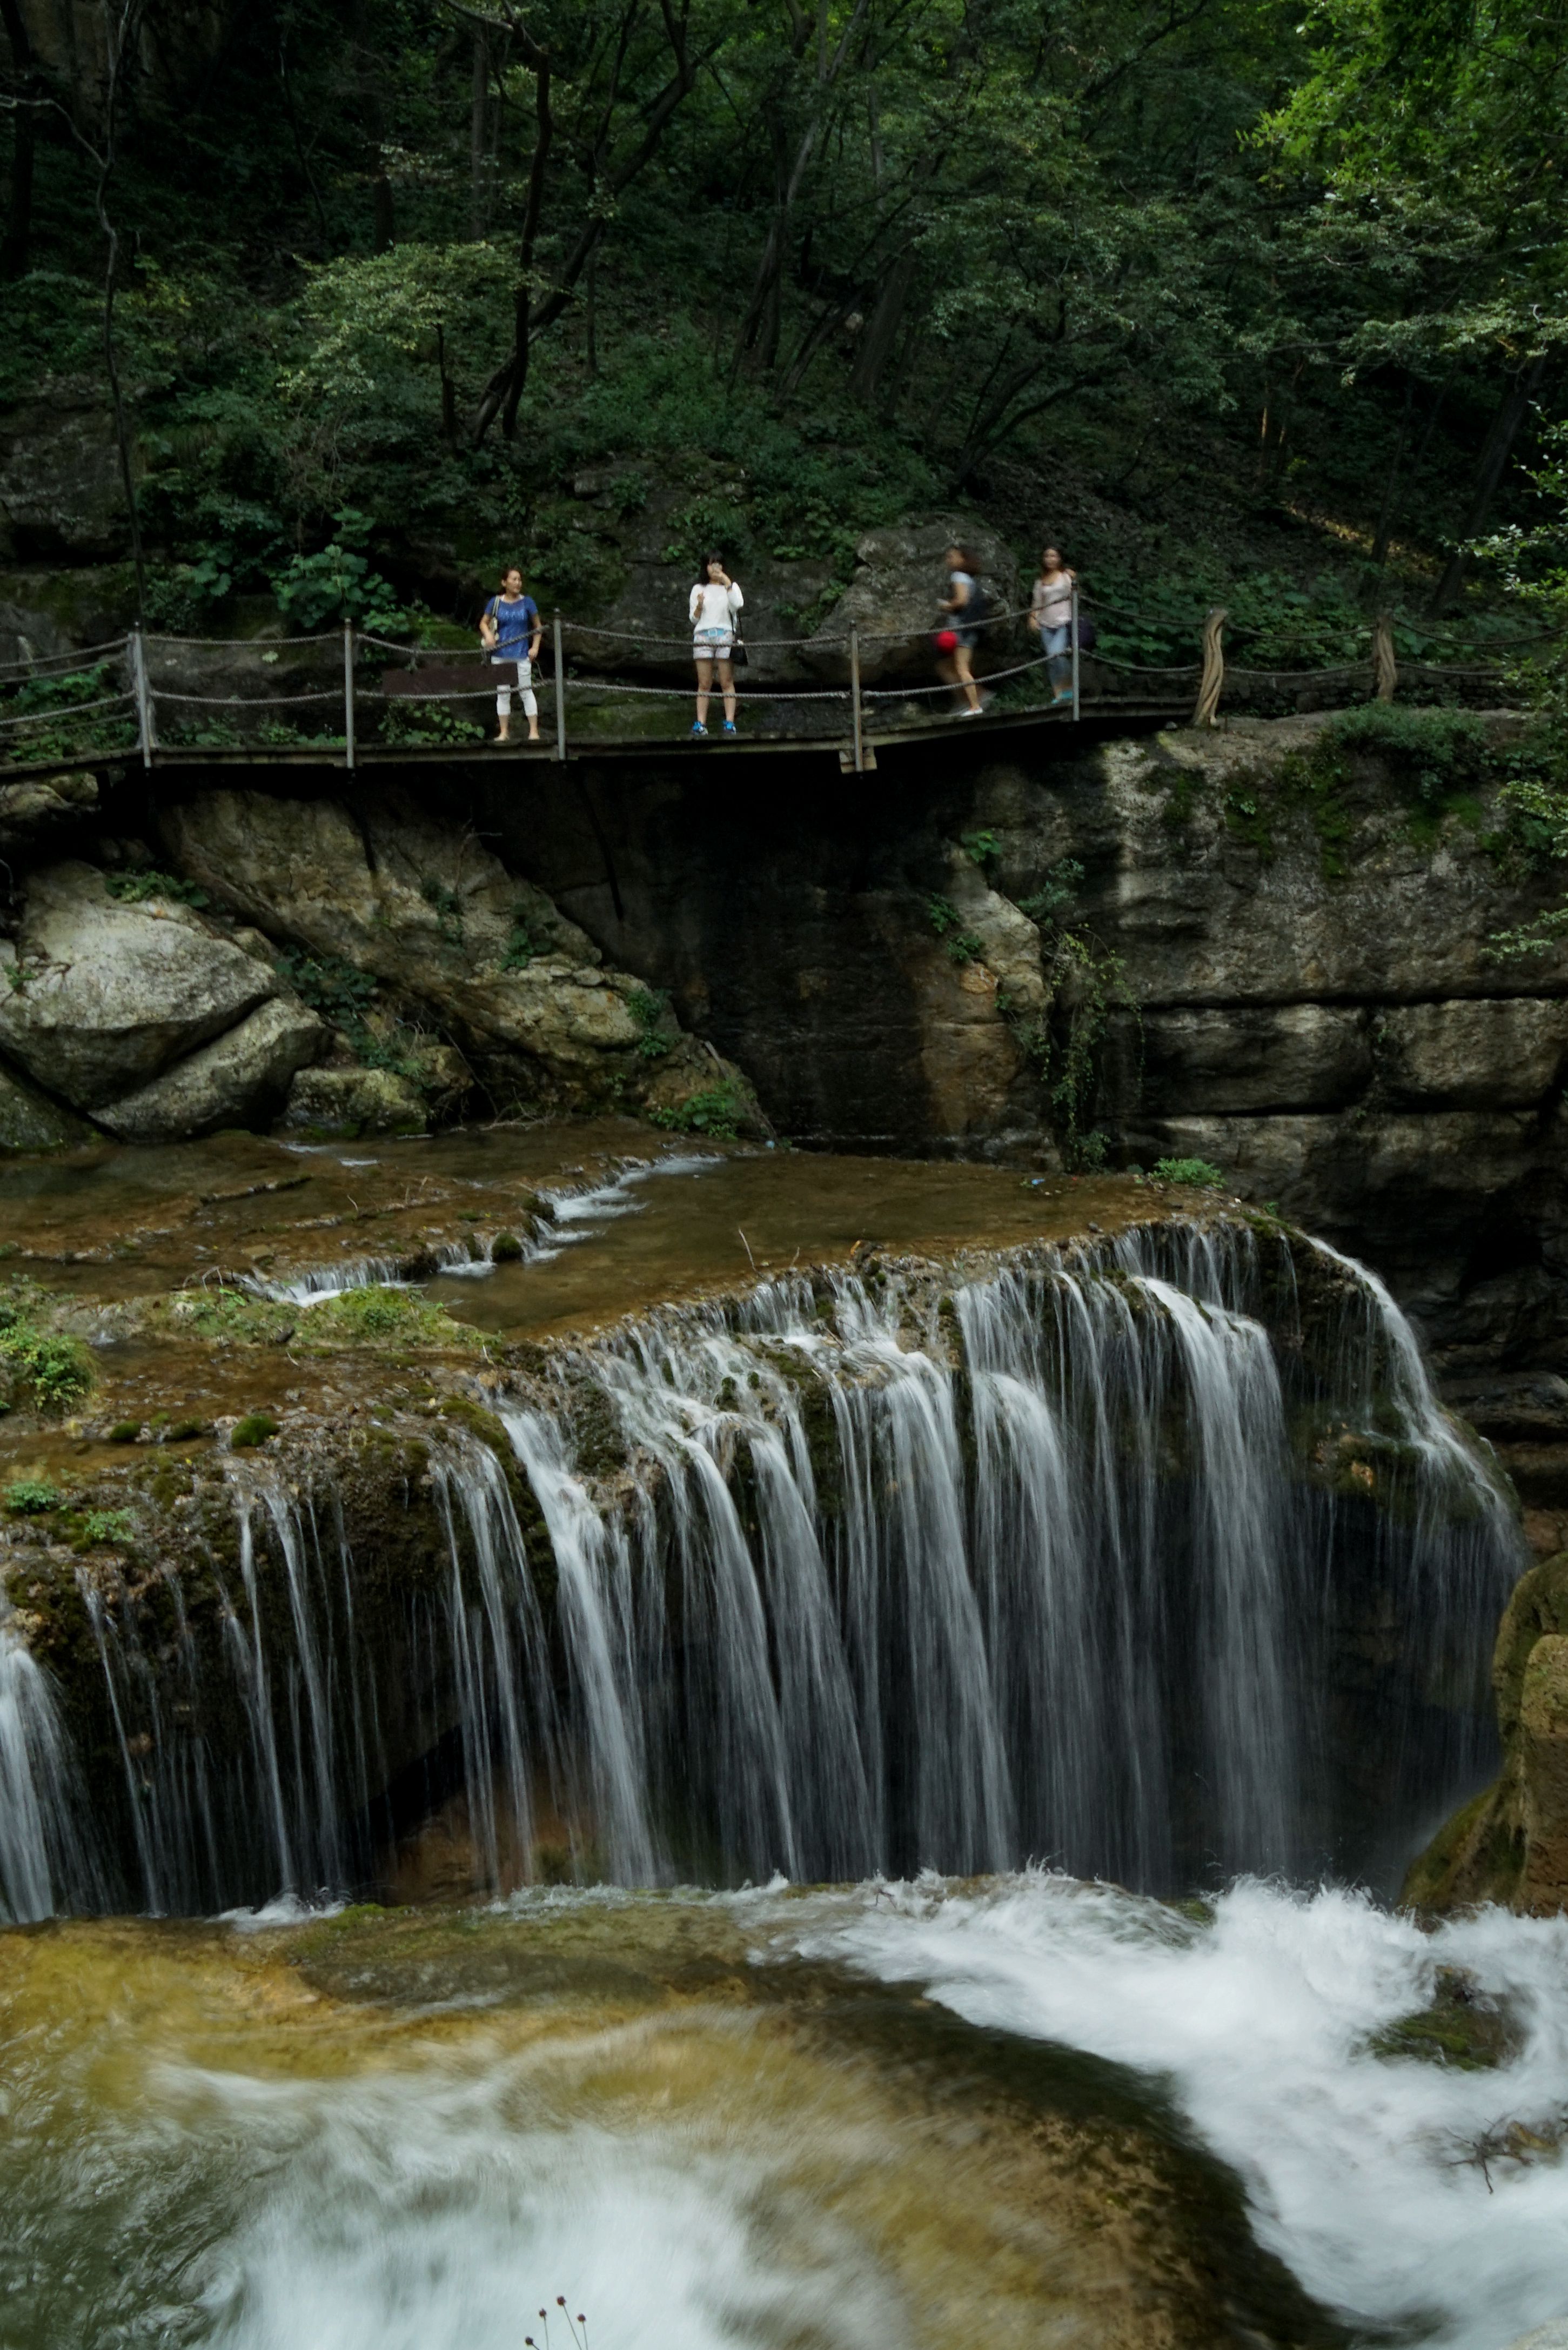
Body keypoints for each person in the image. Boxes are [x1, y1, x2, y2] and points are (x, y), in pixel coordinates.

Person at [479, 564, 543, 745]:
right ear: (504, 582)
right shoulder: (496, 602)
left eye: (519, 580)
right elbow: (484, 623)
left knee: (526, 692)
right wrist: (489, 635)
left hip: (522, 653)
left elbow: (538, 627)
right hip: (500, 654)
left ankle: (533, 732)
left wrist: (535, 648)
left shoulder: (527, 602)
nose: (518, 583)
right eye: (514, 579)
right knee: (503, 693)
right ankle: (504, 732)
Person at [689, 552, 744, 737]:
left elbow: (738, 605)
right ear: (706, 567)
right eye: (712, 564)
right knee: (704, 683)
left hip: (725, 636)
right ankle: (701, 724)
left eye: (719, 564)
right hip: (703, 636)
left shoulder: (731, 587)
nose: (715, 568)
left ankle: (730, 722)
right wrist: (699, 605)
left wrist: (727, 583)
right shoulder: (698, 588)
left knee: (726, 681)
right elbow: (694, 619)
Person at [936, 544, 988, 715]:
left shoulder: (958, 576)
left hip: (962, 629)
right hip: (967, 628)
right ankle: (971, 699)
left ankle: (975, 705)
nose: (949, 560)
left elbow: (961, 601)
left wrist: (945, 606)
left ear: (962, 559)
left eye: (952, 557)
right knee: (945, 667)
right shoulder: (968, 578)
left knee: (962, 668)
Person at [1029, 546, 1076, 707]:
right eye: (1047, 556)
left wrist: (1075, 579)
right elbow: (1036, 603)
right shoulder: (1040, 581)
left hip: (1063, 622)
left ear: (1060, 558)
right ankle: (1058, 695)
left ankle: (1069, 688)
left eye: (1054, 556)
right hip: (1046, 624)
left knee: (1056, 654)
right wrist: (1033, 618)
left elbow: (1077, 595)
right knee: (1051, 660)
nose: (1050, 559)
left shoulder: (1066, 577)